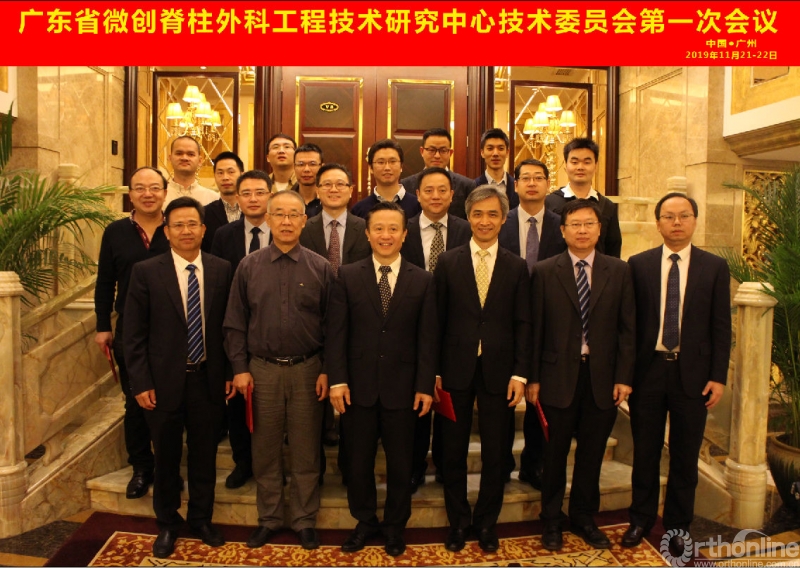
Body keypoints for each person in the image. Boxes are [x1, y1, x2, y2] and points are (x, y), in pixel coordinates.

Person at [124, 196, 233, 559]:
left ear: (203, 229)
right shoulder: (146, 271)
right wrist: (140, 383)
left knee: (204, 456)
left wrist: (229, 372)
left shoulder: (221, 269)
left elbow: (229, 328)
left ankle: (201, 519)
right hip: (162, 383)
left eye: (192, 224)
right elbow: (133, 334)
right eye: (178, 225)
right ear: (167, 231)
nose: (186, 231)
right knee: (166, 458)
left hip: (208, 380)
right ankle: (168, 523)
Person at [622, 193, 731, 556]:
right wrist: (625, 375)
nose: (677, 222)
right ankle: (640, 518)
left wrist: (718, 376)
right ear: (658, 223)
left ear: (695, 220)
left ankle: (678, 526)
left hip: (694, 376)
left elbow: (721, 326)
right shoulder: (638, 264)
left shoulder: (714, 267)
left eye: (684, 216)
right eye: (669, 216)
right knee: (646, 452)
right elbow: (629, 326)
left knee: (685, 457)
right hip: (648, 372)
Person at [224, 190, 333, 551]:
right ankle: (269, 518)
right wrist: (239, 368)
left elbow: (334, 326)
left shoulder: (321, 268)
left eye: (293, 215)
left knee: (306, 450)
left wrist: (327, 369)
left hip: (308, 370)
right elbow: (235, 323)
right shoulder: (248, 266)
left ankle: (304, 520)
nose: (286, 222)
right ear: (268, 219)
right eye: (279, 215)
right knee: (265, 449)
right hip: (262, 372)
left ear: (304, 220)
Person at [327, 201, 437, 557]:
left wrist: (424, 385)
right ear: (367, 234)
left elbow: (428, 339)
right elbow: (336, 333)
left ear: (404, 235)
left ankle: (394, 526)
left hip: (404, 390)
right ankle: (364, 521)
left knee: (402, 465)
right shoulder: (347, 275)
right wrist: (338, 380)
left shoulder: (422, 279)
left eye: (393, 229)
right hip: (357, 389)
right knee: (357, 463)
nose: (385, 235)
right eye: (379, 228)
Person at [527, 199, 635, 552]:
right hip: (556, 377)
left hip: (602, 378)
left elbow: (627, 330)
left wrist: (624, 377)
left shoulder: (619, 270)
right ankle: (551, 519)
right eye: (575, 224)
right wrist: (533, 378)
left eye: (589, 224)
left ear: (600, 229)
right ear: (563, 230)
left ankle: (584, 517)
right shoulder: (545, 271)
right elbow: (535, 330)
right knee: (554, 454)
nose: (583, 230)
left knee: (592, 453)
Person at [434, 185, 531, 553]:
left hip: (499, 373)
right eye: (478, 214)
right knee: (452, 451)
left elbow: (524, 323)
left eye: (492, 214)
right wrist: (435, 372)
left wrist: (520, 374)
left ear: (504, 219)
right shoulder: (448, 262)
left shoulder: (516, 266)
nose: (485, 221)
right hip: (453, 371)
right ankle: (458, 523)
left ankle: (487, 523)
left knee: (496, 452)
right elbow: (436, 321)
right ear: (468, 217)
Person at [94, 166, 170, 501]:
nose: (147, 194)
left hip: (173, 331)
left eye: (154, 187)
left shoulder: (177, 226)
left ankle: (168, 467)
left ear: (165, 192)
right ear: (130, 194)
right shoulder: (115, 232)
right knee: (135, 402)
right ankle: (141, 467)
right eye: (140, 188)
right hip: (131, 331)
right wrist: (102, 326)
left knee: (170, 403)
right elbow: (105, 282)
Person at [400, 166, 471, 493]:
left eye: (442, 190)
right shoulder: (403, 228)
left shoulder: (467, 229)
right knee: (416, 399)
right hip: (412, 327)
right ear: (417, 195)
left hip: (457, 327)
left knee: (449, 401)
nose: (436, 196)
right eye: (428, 190)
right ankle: (414, 466)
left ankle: (445, 463)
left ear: (452, 194)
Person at [299, 163, 371, 481]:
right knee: (312, 399)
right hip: (310, 321)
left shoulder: (365, 228)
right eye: (326, 184)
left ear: (351, 190)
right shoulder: (304, 227)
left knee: (350, 398)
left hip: (357, 322)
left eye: (340, 184)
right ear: (317, 190)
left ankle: (348, 463)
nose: (333, 189)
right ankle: (315, 465)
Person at [498, 158, 566, 489]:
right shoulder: (501, 220)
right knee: (504, 396)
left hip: (549, 320)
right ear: (516, 184)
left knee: (540, 396)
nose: (532, 183)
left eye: (539, 178)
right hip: (506, 319)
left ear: (548, 184)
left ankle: (533, 463)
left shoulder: (561, 225)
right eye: (525, 178)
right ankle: (501, 461)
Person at [209, 169, 273, 490]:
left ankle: (273, 465)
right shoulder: (224, 235)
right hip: (235, 329)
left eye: (260, 192)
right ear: (237, 198)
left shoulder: (285, 229)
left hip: (274, 332)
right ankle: (242, 462)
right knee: (237, 402)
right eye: (246, 193)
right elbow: (218, 285)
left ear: (270, 196)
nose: (253, 199)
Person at [544, 137, 622, 258]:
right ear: (565, 165)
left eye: (587, 162)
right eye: (574, 162)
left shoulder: (607, 206)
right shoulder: (550, 202)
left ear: (596, 165)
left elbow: (613, 248)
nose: (580, 167)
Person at [400, 128, 475, 219]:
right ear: (422, 151)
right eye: (431, 150)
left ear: (450, 153)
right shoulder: (406, 185)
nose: (437, 156)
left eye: (443, 150)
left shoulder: (467, 186)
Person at [351, 139, 421, 221]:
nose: (387, 168)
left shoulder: (419, 206)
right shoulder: (358, 210)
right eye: (381, 162)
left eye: (393, 161)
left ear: (401, 166)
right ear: (371, 168)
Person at [202, 151, 244, 252]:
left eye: (231, 172)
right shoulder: (204, 213)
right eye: (220, 173)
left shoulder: (254, 209)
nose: (225, 178)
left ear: (242, 175)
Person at [163, 136, 219, 206]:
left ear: (200, 160)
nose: (184, 158)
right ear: (170, 158)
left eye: (190, 154)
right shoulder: (159, 196)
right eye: (179, 153)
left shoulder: (213, 199)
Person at [474, 128, 519, 210]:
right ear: (482, 153)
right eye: (490, 148)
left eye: (501, 148)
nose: (495, 153)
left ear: (507, 152)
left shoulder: (517, 186)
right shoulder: (473, 186)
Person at [292, 143, 324, 218]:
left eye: (312, 164)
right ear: (294, 167)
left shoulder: (329, 199)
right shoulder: (286, 199)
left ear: (322, 167)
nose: (306, 169)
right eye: (301, 164)